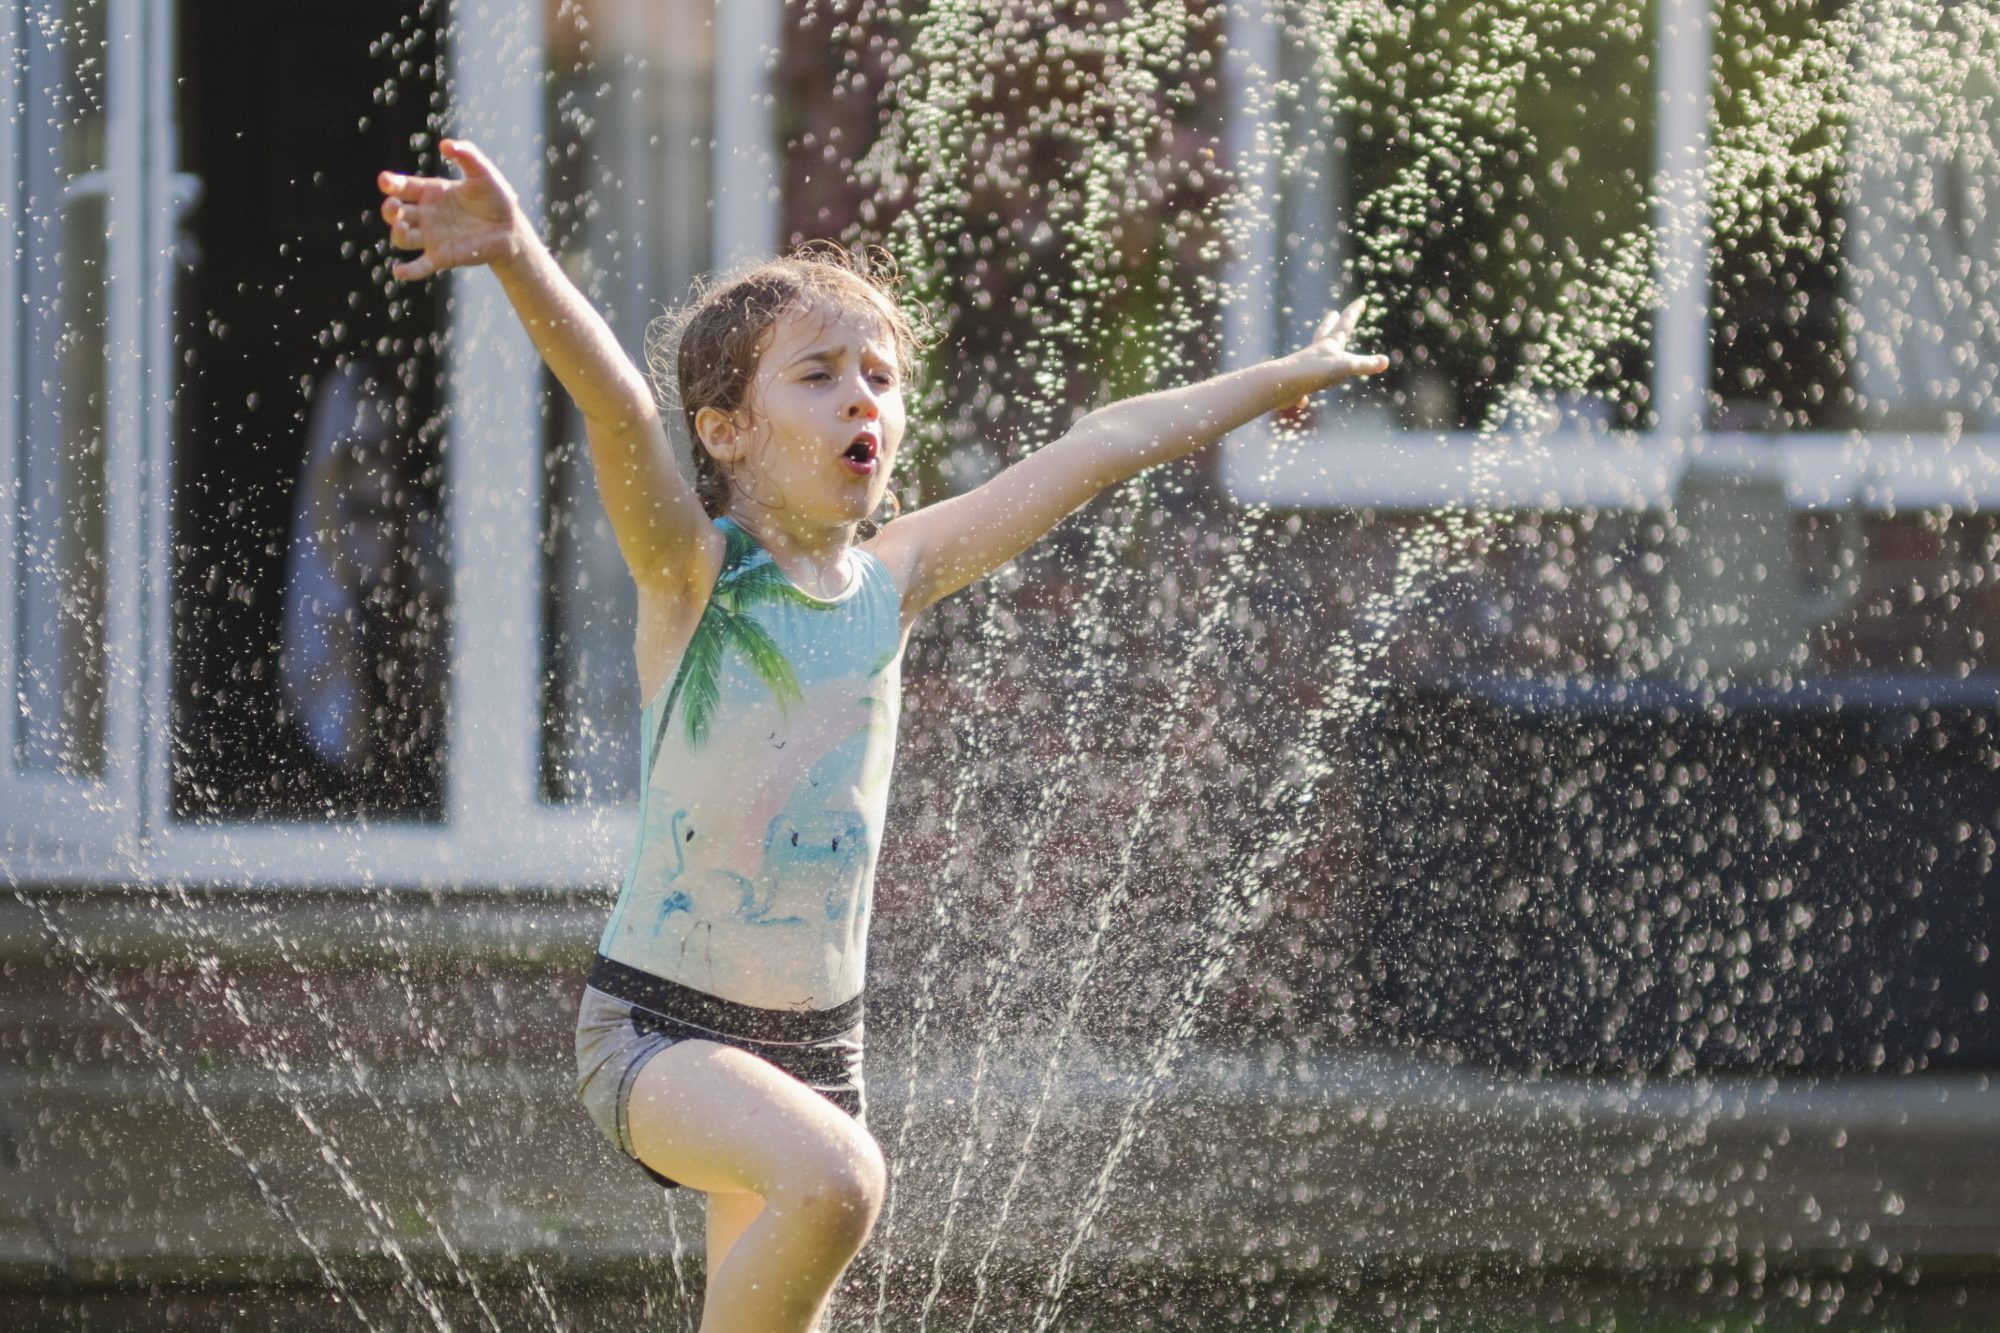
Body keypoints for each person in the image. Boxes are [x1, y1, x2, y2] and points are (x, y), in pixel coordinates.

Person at [377, 137, 1386, 1333]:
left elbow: (1108, 441)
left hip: (814, 1042)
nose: (863, 394)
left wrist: (1271, 381)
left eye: (881, 374)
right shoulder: (692, 578)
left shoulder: (893, 579)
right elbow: (617, 404)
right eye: (816, 374)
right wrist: (515, 253)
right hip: (656, 1028)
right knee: (842, 1181)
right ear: (725, 432)